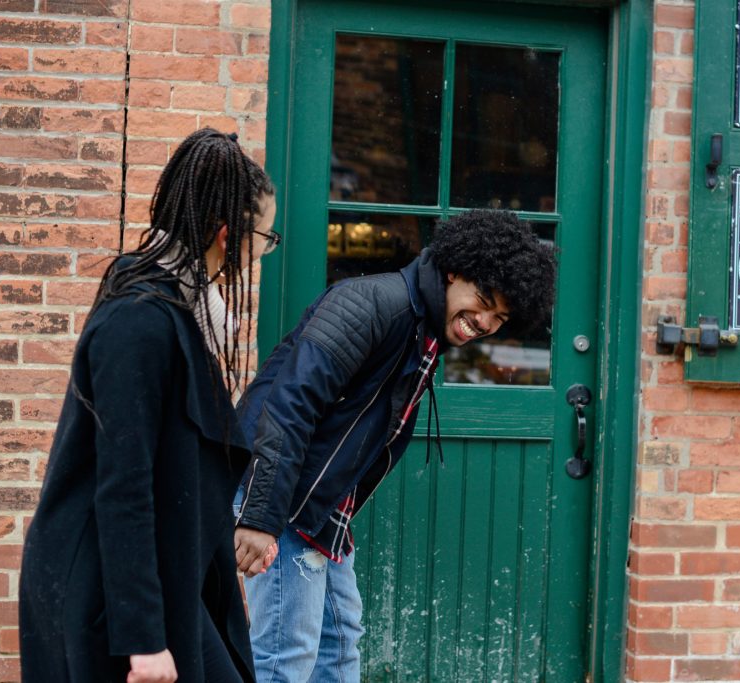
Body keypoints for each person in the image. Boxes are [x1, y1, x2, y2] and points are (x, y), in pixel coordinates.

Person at [232, 209, 556, 681]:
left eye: (499, 317)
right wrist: (261, 517)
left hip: (323, 513)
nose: (483, 322)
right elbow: (288, 407)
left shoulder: (421, 331)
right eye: (481, 300)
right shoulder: (372, 305)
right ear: (453, 272)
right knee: (285, 661)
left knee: (338, 652)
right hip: (287, 505)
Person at [19, 128, 278, 683]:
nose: (264, 252)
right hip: (105, 594)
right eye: (265, 237)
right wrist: (144, 642)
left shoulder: (182, 311)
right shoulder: (139, 318)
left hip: (164, 578)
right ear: (228, 235)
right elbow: (123, 481)